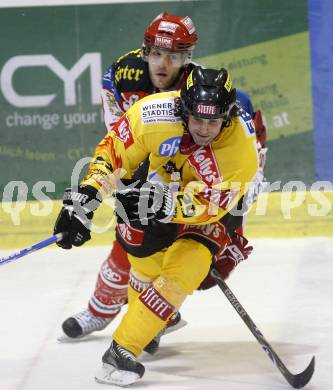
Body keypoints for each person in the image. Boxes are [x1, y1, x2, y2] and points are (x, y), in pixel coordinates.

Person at [58, 11, 266, 350]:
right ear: (144, 52)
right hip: (149, 160)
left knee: (188, 256)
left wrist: (231, 218)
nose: (163, 63)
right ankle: (105, 308)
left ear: (188, 58)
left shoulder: (208, 94)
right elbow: (117, 140)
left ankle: (154, 315)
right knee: (132, 240)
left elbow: (246, 164)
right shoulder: (122, 75)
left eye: (174, 55)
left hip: (204, 179)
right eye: (156, 53)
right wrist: (91, 196)